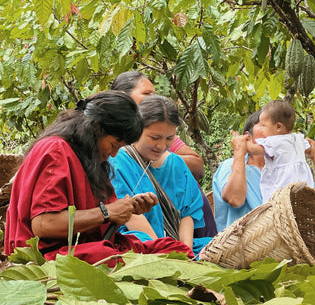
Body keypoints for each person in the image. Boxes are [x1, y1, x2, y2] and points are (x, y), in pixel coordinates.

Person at [4, 91, 193, 264]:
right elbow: (43, 225)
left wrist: (129, 208)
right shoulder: (56, 150)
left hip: (86, 247)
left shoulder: (89, 156)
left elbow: (99, 218)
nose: (113, 154)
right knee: (111, 258)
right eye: (113, 145)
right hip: (48, 257)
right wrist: (107, 212)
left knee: (173, 249)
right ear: (96, 128)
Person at [111, 71, 217, 239]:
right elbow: (129, 214)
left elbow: (187, 213)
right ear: (137, 127)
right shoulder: (117, 162)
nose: (161, 145)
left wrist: (186, 252)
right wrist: (166, 255)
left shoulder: (176, 163)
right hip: (143, 249)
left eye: (169, 138)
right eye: (154, 138)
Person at [246, 100, 315, 201]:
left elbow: (254, 149)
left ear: (278, 127)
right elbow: (310, 149)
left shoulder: (273, 141)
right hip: (302, 191)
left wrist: (243, 143)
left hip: (282, 193)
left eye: (264, 125)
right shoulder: (298, 139)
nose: (263, 129)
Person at [212, 110, 265, 231]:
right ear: (248, 137)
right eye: (264, 125)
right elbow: (234, 199)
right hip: (237, 245)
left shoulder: (280, 170)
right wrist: (240, 151)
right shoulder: (229, 165)